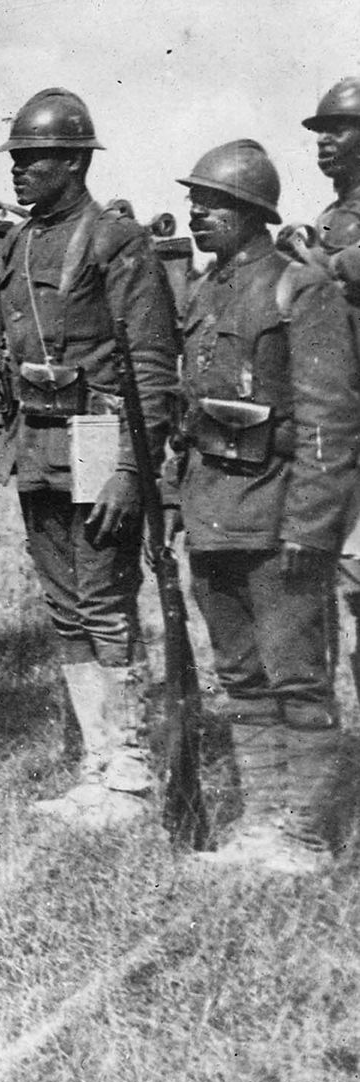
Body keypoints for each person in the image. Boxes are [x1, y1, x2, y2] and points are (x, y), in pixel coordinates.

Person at [0, 89, 178, 826]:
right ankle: (96, 762)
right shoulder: (18, 243)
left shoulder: (114, 242)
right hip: (38, 438)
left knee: (102, 599)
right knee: (63, 605)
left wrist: (132, 467)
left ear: (72, 162)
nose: (20, 173)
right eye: (16, 160)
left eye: (34, 160)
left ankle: (129, 771)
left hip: (99, 439)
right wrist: (7, 436)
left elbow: (150, 364)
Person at [176, 140, 360, 874]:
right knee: (241, 676)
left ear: (253, 213)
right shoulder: (203, 291)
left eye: (212, 203)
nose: (196, 213)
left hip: (279, 517)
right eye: (193, 201)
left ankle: (306, 833)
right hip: (213, 512)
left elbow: (328, 424)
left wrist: (311, 529)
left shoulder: (300, 291)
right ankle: (261, 821)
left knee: (296, 678)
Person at [294, 79, 360, 719]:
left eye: (338, 128)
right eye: (319, 130)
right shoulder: (331, 216)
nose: (324, 141)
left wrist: (321, 265)